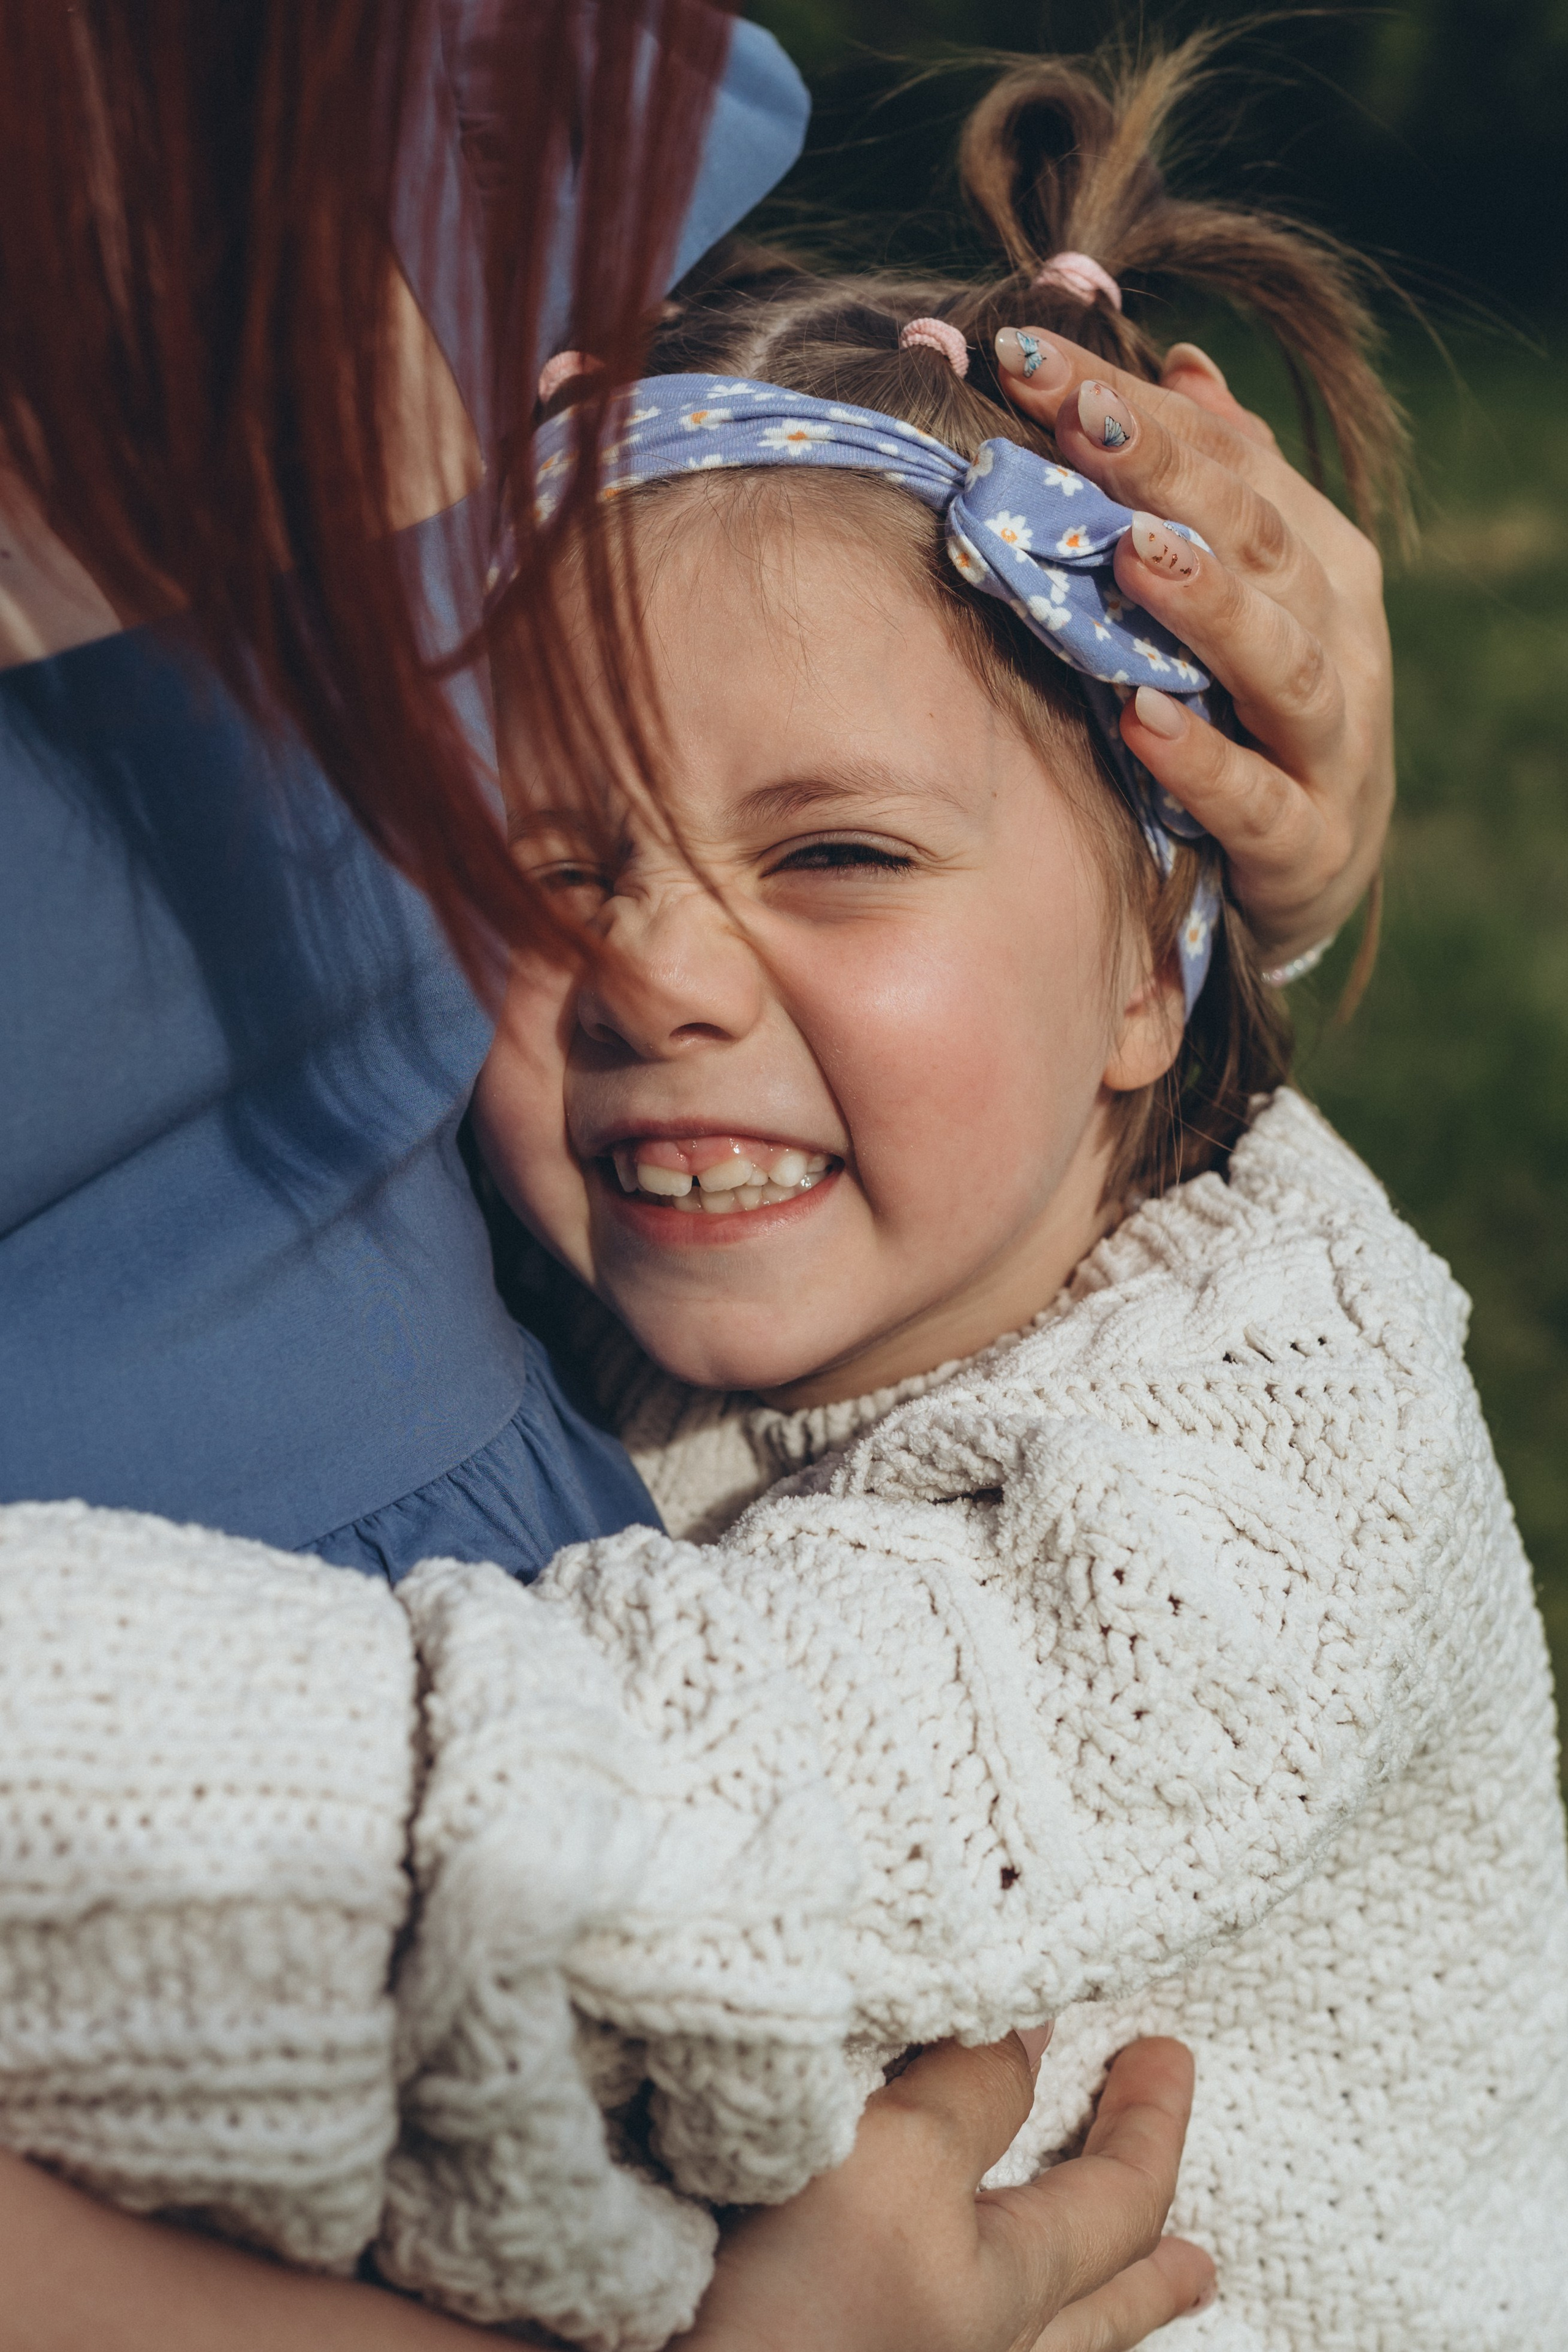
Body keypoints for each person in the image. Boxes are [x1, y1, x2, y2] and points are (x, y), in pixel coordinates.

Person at [0, 7, 1393, 2348]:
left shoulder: (1240, 1477)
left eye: (834, 855)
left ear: (1158, 981)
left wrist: (1277, 857)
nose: (649, 971)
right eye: (544, 866)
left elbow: (737, 1804)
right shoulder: (742, 1286)